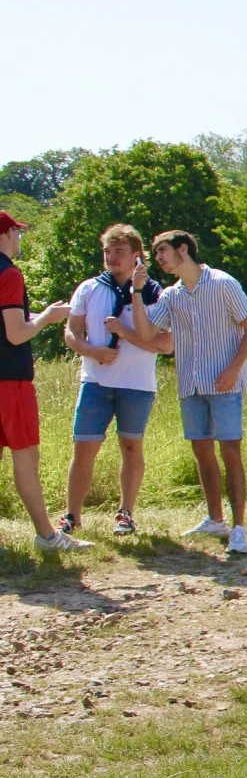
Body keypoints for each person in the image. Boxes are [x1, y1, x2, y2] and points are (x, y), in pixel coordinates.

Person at [136, 230, 247, 554]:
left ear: (182, 249)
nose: (158, 258)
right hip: (190, 384)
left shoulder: (223, 283)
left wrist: (234, 368)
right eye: (156, 252)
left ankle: (239, 529)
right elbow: (148, 332)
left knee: (230, 451)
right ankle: (215, 519)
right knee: (202, 451)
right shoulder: (170, 296)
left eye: (162, 251)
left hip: (224, 383)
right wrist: (136, 291)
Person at [61, 223, 166, 536]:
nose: (111, 257)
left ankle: (126, 512)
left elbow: (164, 343)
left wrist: (126, 334)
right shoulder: (89, 288)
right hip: (95, 381)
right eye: (107, 251)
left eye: (118, 252)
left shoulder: (154, 293)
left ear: (136, 255)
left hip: (137, 383)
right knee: (83, 449)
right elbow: (71, 332)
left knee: (132, 447)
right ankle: (71, 515)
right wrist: (91, 350)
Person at [0, 210, 90, 553]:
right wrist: (48, 319)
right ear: (7, 233)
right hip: (11, 382)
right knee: (26, 458)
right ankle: (47, 536)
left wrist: (39, 317)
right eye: (18, 233)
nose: (20, 239)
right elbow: (16, 333)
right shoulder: (9, 274)